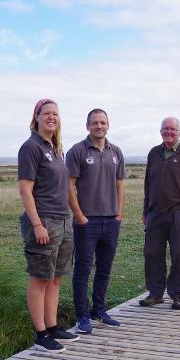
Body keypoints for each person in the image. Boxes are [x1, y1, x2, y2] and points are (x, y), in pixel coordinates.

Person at [17, 98, 80, 352]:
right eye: (47, 113)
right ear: (37, 117)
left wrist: (75, 215)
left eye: (55, 113)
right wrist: (37, 225)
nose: (51, 117)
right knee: (40, 278)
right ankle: (40, 334)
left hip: (63, 221)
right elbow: (25, 190)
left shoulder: (55, 148)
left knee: (55, 279)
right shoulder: (31, 147)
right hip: (44, 221)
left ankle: (53, 326)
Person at [65, 108, 126, 334]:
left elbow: (120, 185)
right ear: (87, 125)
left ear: (108, 125)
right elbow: (68, 185)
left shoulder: (116, 152)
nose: (99, 126)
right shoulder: (77, 151)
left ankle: (99, 310)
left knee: (105, 269)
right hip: (86, 222)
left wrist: (119, 214)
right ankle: (82, 315)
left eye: (102, 122)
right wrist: (80, 216)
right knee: (83, 270)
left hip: (111, 221)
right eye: (94, 123)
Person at [140, 116, 180, 310]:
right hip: (155, 213)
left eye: (172, 129)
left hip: (179, 213)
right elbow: (148, 184)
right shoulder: (153, 153)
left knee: (179, 255)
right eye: (165, 129)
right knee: (152, 254)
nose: (168, 132)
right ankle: (155, 293)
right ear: (160, 132)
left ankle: (178, 294)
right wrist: (145, 210)